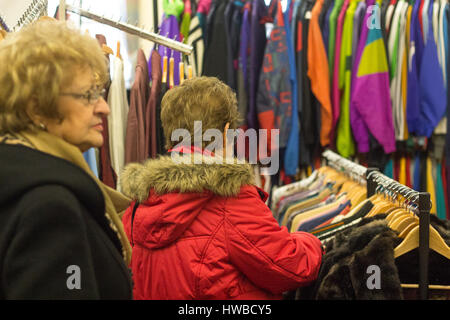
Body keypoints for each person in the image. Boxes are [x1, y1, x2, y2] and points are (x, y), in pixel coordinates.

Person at [120, 76, 324, 300]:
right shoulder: (230, 198)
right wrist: (314, 242)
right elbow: (291, 266)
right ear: (226, 131)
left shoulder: (139, 203)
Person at [0, 20, 133, 299]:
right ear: (37, 107)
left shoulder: (20, 179)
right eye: (89, 95)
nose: (105, 108)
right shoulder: (49, 206)